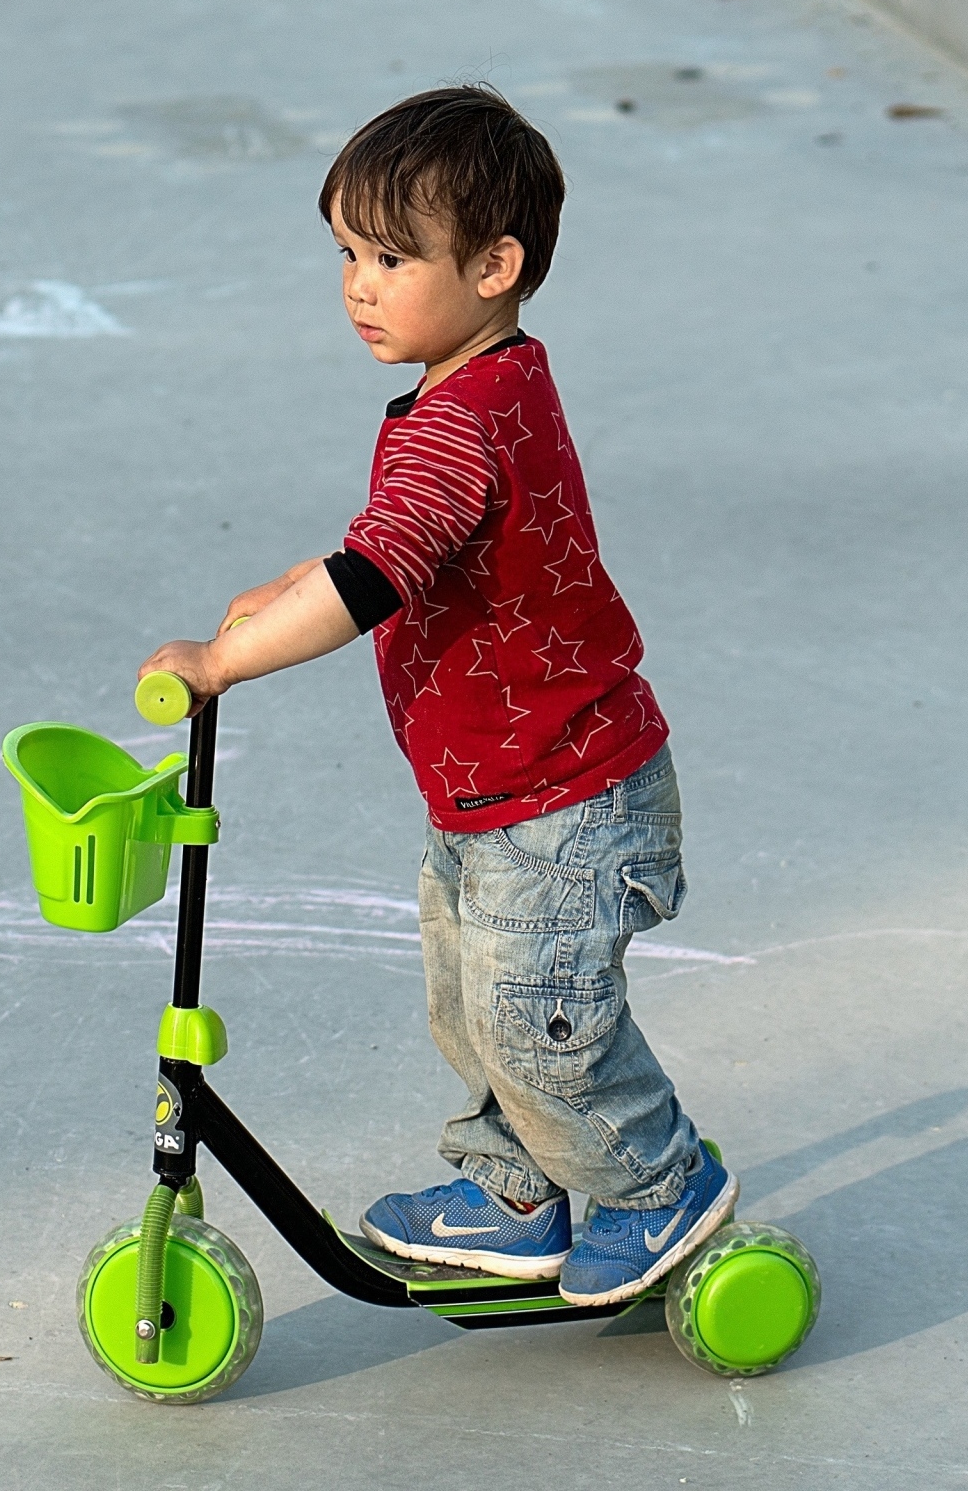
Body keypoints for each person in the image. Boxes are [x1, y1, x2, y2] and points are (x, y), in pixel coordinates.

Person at [136, 85, 734, 1305]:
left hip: (562, 800)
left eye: (392, 258)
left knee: (539, 1024)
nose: (358, 284)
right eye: (348, 254)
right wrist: (286, 583)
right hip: (497, 789)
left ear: (496, 264)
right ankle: (521, 1188)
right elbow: (390, 544)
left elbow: (377, 574)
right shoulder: (483, 386)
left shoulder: (463, 422)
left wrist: (224, 659)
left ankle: (655, 1184)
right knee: (477, 1008)